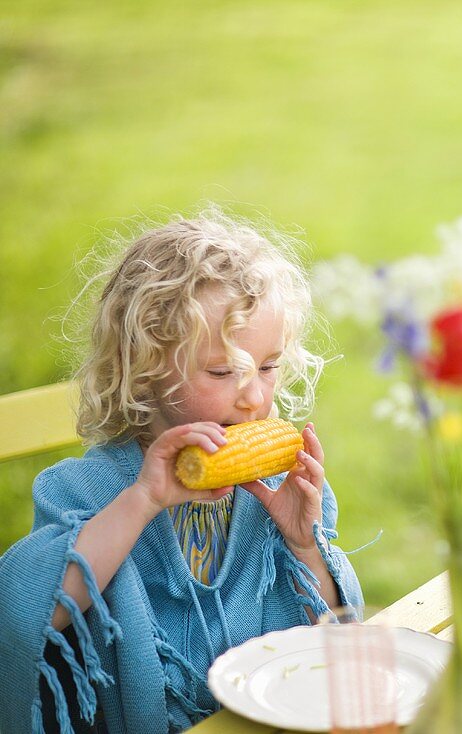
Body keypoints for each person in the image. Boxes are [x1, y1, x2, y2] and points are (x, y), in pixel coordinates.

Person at [0, 210, 364, 733]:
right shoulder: (84, 490)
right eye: (224, 371)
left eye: (267, 366)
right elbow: (31, 616)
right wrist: (141, 500)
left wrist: (305, 545)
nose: (256, 397)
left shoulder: (282, 489)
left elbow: (338, 631)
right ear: (143, 369)